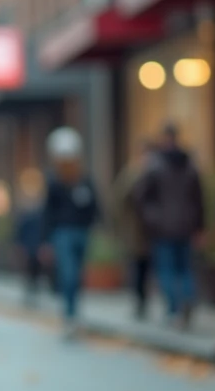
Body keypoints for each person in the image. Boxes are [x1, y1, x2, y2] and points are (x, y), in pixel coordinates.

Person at [135, 125, 204, 329]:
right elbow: (199, 199)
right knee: (184, 268)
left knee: (167, 270)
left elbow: (140, 197)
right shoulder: (190, 165)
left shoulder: (154, 165)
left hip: (162, 228)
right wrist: (199, 225)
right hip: (185, 225)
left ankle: (175, 309)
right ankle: (187, 299)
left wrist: (151, 219)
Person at [41, 127, 99, 337]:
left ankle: (74, 312)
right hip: (62, 233)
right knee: (68, 274)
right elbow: (47, 212)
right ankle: (70, 314)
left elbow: (95, 207)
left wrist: (93, 226)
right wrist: (46, 240)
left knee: (77, 274)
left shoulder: (84, 181)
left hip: (81, 232)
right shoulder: (54, 182)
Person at [112, 142, 155, 319]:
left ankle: (145, 300)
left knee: (148, 268)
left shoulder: (156, 173)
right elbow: (118, 200)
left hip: (153, 231)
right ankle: (139, 301)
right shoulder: (131, 174)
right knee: (137, 267)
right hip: (135, 231)